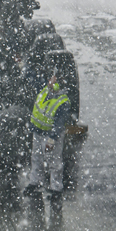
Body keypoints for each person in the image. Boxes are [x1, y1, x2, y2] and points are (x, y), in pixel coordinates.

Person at [23, 72, 70, 209]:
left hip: (50, 135)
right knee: (36, 158)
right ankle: (35, 182)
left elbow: (59, 124)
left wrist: (51, 140)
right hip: (38, 132)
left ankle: (56, 188)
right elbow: (32, 78)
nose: (49, 82)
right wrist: (23, 66)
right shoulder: (45, 90)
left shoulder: (63, 102)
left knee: (54, 162)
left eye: (53, 81)